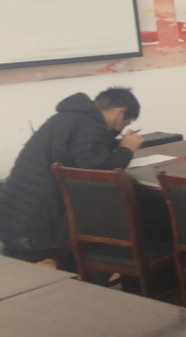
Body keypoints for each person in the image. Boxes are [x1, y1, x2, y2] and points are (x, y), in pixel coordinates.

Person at [0, 88, 143, 256]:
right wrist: (126, 150)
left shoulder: (69, 117)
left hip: (12, 226)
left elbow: (84, 152)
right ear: (120, 112)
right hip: (36, 233)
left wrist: (116, 144)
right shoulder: (90, 124)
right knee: (112, 232)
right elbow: (99, 175)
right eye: (125, 123)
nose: (121, 128)